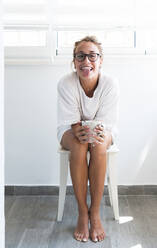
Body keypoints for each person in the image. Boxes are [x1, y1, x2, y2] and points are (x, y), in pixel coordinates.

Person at [57, 36, 119, 243]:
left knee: (99, 146)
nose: (86, 61)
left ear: (101, 60)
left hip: (103, 128)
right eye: (80, 56)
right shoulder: (66, 83)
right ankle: (83, 213)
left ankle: (95, 213)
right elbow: (71, 121)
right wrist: (79, 130)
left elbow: (106, 121)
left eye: (92, 56)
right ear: (74, 62)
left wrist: (92, 133)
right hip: (70, 128)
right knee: (79, 146)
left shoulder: (110, 83)